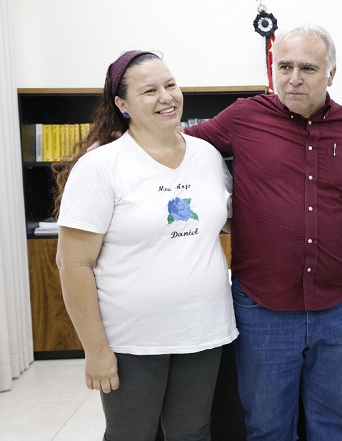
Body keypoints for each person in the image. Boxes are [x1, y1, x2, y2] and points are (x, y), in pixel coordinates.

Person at [185, 24, 342, 440]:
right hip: (263, 306)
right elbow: (177, 149)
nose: (294, 78)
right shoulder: (243, 117)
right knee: (269, 427)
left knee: (337, 425)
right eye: (284, 66)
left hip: (339, 304)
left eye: (308, 68)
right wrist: (115, 145)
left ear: (331, 74)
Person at [54, 50, 238, 440]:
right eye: (149, 91)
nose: (166, 97)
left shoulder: (207, 156)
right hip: (132, 340)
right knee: (131, 434)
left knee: (193, 432)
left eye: (170, 85)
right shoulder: (101, 167)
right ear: (122, 105)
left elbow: (227, 223)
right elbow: (73, 265)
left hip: (203, 331)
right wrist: (96, 350)